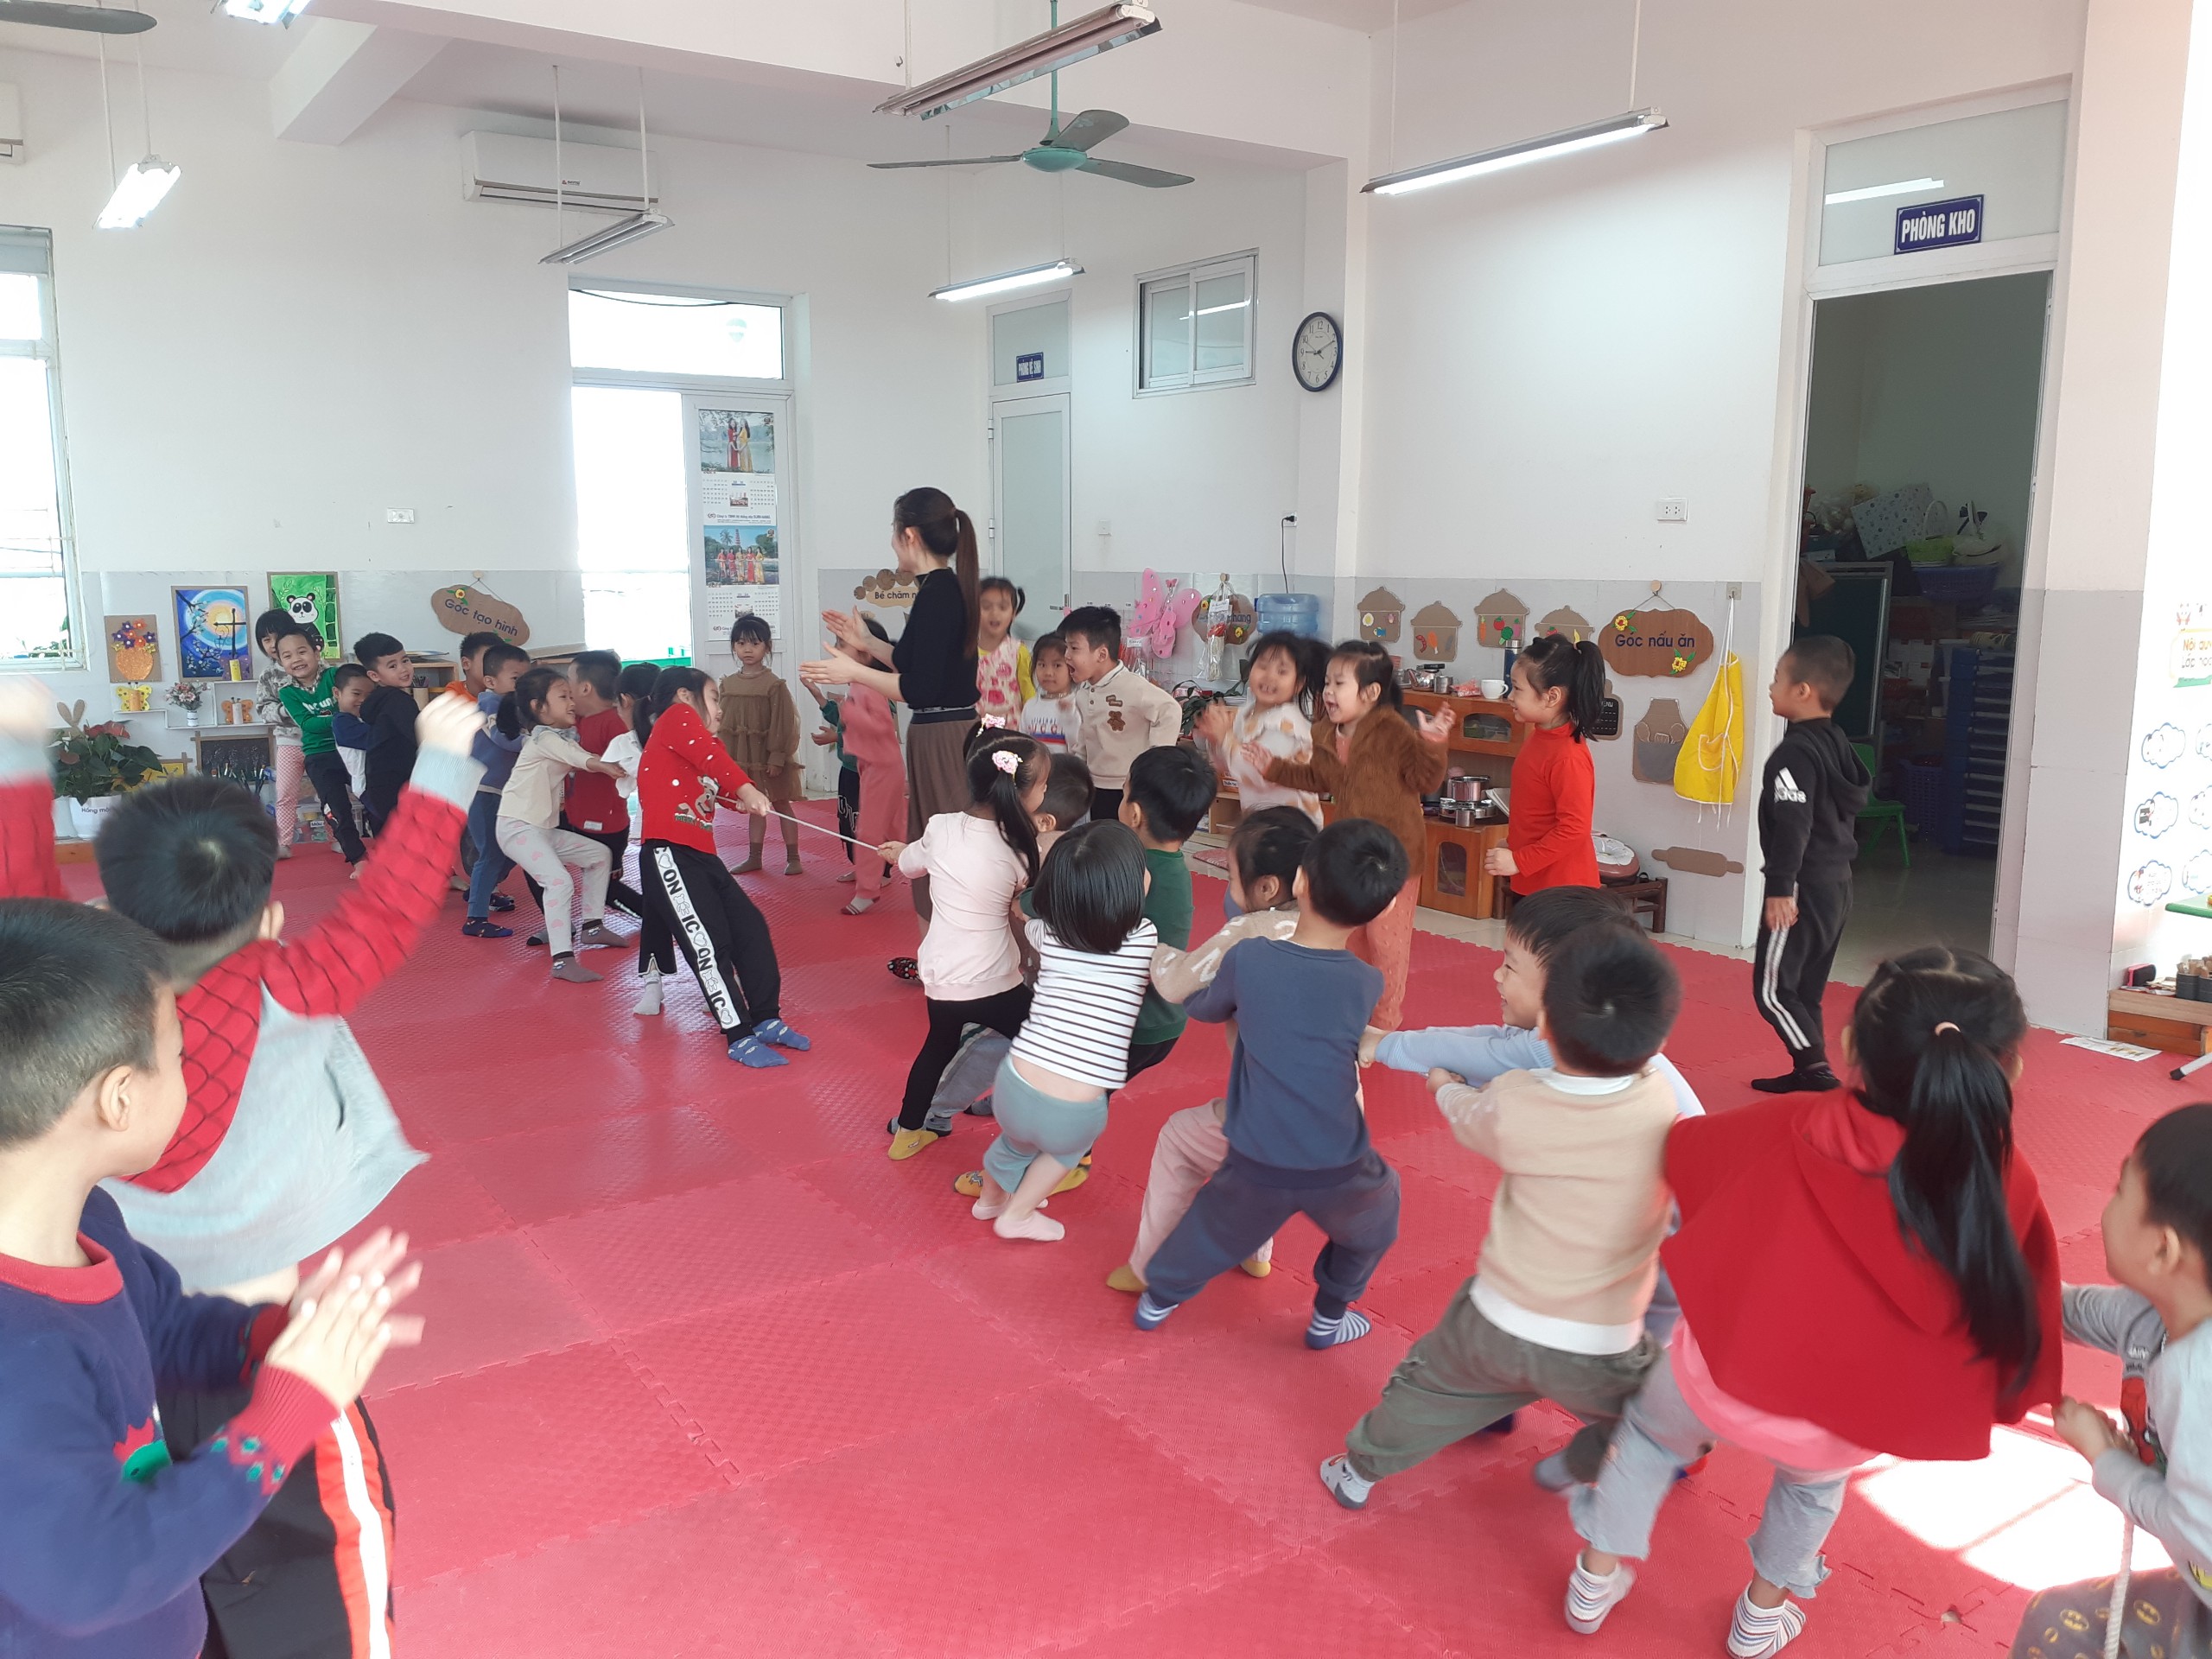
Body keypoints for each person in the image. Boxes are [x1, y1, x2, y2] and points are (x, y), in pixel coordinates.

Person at [0, 683, 483, 1659]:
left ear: (110, 911)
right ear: (268, 915)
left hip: (163, 1340)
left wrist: (15, 746)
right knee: (313, 1583)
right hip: (250, 1362)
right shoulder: (293, 984)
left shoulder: (65, 1027)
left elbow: (25, 902)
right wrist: (441, 758)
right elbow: (395, 900)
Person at [1566, 947, 2063, 1657]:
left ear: (1852, 1046)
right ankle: (1760, 1618)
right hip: (1838, 1421)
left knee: (1645, 1438)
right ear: (2010, 1068)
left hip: (1714, 1379)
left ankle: (1594, 1578)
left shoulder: (1800, 1121)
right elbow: (2023, 1300)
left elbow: (1687, 1154)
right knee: (1808, 1491)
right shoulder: (2006, 1178)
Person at [0, 898, 423, 1659]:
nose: (191, 1072)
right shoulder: (18, 1358)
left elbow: (158, 1327)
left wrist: (267, 1334)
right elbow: (94, 1574)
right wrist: (278, 1423)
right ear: (120, 1099)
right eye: (178, 1053)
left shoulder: (89, 1219)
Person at [1319, 925, 1684, 1511]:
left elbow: (1472, 1117)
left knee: (1426, 1391)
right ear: (1659, 1040)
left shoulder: (1516, 1098)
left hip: (1498, 1319)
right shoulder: (1661, 1103)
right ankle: (1576, 1466)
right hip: (1602, 1343)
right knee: (1653, 1419)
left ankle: (1356, 1472)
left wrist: (1444, 1087)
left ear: (1547, 1028)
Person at [1133, 818, 1411, 1349]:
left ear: (1299, 881)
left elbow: (1205, 1007)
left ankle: (1159, 1298)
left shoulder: (1249, 957)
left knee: (1213, 1228)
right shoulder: (1365, 980)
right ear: (1385, 908)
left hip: (1259, 1155)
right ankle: (1329, 1317)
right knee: (1376, 1224)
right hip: (1339, 1161)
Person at [2010, 1103, 2212, 1659]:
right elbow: (2061, 1310)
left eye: (2120, 1189)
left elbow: (2196, 1534)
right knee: (2058, 1620)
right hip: (2199, 1582)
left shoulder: (2199, 1382)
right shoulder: (2149, 1314)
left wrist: (2105, 1458)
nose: (2107, 1207)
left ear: (2162, 1249)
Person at [1107, 805, 1317, 1294]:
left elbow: (1177, 984)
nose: (1227, 888)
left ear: (1267, 888)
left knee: (1178, 1141)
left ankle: (1148, 1266)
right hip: (1333, 1125)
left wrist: (1151, 946)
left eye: (1231, 877)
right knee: (1258, 1170)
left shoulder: (1248, 930)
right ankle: (1257, 1254)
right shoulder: (1324, 931)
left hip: (1269, 1120)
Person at [1244, 639, 1452, 1033]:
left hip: (1395, 858)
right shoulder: (1325, 732)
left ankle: (1384, 1021)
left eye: (1339, 684)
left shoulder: (1392, 730)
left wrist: (1434, 743)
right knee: (1351, 936)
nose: (1328, 691)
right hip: (1351, 853)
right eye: (1327, 682)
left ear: (1370, 693)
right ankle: (1353, 1009)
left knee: (1386, 943)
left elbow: (1425, 779)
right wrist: (1274, 768)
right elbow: (1318, 778)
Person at [969, 821, 1159, 1242]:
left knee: (1015, 1142)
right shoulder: (1144, 937)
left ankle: (991, 1199)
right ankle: (1017, 1214)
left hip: (1014, 1081)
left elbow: (1028, 915)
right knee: (1064, 1153)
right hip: (1075, 1107)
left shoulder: (1047, 933)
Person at [803, 487, 982, 932]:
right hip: (937, 731)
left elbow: (917, 688)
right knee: (931, 839)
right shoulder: (937, 589)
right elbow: (910, 662)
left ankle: (955, 945)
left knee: (945, 844)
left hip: (944, 733)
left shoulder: (940, 593)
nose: (891, 541)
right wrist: (866, 643)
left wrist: (854, 670)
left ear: (910, 535)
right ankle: (939, 946)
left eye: (893, 530)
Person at [880, 733, 1049, 1160]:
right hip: (994, 981)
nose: (1045, 792)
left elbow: (909, 864)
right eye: (1043, 785)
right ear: (1020, 792)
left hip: (942, 977)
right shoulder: (1021, 846)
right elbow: (1027, 900)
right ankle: (1037, 1137)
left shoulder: (940, 826)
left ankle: (907, 1135)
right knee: (1044, 1047)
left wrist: (900, 853)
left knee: (936, 1049)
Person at [633, 668, 807, 1066]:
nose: (721, 709)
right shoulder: (676, 718)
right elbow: (714, 760)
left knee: (750, 929)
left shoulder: (692, 745)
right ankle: (738, 1035)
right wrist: (745, 788)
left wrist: (738, 798)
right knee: (708, 947)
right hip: (669, 854)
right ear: (685, 696)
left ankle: (765, 1018)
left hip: (703, 857)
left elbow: (711, 783)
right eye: (714, 698)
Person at [1750, 636, 1870, 1095]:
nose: (1770, 687)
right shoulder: (1837, 743)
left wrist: (1780, 887)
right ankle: (1808, 1071)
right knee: (1804, 989)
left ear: (1802, 691)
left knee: (1773, 991)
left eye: (1777, 679)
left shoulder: (1795, 753)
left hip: (1802, 885)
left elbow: (1793, 824)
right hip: (1837, 884)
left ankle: (1815, 1068)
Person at [493, 665, 624, 984]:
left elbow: (580, 753)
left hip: (541, 831)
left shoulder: (560, 737)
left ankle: (592, 926)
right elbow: (580, 758)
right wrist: (606, 767)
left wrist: (616, 764)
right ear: (539, 707)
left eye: (570, 695)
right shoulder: (544, 739)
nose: (571, 702)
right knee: (559, 882)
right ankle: (562, 960)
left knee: (599, 855)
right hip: (516, 828)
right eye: (563, 697)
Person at [1118, 743, 1216, 1087]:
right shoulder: (1176, 869)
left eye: (1124, 792)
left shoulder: (1129, 869)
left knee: (1077, 1097)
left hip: (1132, 1025)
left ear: (1134, 814)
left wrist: (1027, 902)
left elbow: (1070, 903)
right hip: (1165, 1021)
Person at [1483, 632, 1605, 897]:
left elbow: (1574, 829)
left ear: (1551, 697)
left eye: (1517, 689)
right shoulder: (1538, 737)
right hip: (1537, 884)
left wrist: (1520, 860)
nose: (1510, 697)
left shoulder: (1568, 756)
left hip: (1562, 891)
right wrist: (1515, 844)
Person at [1058, 604, 1183, 824]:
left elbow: (1170, 710)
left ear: (1101, 654)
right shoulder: (1084, 692)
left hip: (1129, 789)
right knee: (1102, 839)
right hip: (1096, 786)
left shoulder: (1133, 686)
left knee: (1126, 842)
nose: (1067, 656)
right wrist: (1076, 768)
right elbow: (1086, 737)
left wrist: (1153, 763)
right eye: (1066, 647)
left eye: (1074, 648)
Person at [1195, 630, 1330, 827]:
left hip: (1294, 829)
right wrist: (1215, 740)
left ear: (1298, 684)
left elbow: (1257, 774)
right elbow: (1229, 766)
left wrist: (1225, 737)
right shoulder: (1245, 714)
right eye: (1263, 666)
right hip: (1261, 823)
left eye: (1282, 672)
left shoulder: (1287, 723)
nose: (1269, 677)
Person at [607, 662, 677, 1015]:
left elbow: (621, 788)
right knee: (658, 912)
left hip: (681, 839)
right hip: (660, 839)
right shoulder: (626, 743)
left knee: (686, 914)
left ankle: (720, 980)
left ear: (624, 700)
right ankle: (653, 984)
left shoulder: (677, 735)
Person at [272, 622, 365, 868]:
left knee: (373, 796)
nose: (296, 659)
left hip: (351, 748)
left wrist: (343, 718)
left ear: (316, 651)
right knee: (336, 807)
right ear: (280, 662)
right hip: (319, 755)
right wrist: (341, 718)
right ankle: (357, 858)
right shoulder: (287, 693)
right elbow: (307, 724)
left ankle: (393, 846)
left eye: (302, 651)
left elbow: (357, 701)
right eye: (287, 656)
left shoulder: (335, 676)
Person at [719, 615, 804, 876]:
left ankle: (794, 858)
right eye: (741, 643)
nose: (747, 649)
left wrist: (777, 756)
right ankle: (754, 857)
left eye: (755, 644)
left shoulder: (774, 685)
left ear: (767, 646)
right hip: (742, 758)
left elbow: (784, 723)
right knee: (755, 806)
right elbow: (723, 725)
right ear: (733, 646)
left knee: (782, 805)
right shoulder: (728, 684)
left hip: (768, 756)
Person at [567, 650, 648, 918]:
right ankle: (587, 926)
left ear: (585, 688)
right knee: (592, 882)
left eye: (569, 681)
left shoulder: (614, 723)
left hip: (607, 824)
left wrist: (596, 764)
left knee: (607, 889)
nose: (567, 689)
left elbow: (633, 764)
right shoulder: (578, 719)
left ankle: (657, 919)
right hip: (578, 818)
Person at [460, 642, 531, 940]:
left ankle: (482, 890)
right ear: (491, 681)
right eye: (516, 679)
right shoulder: (489, 704)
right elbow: (502, 738)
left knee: (512, 850)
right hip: (484, 789)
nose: (522, 685)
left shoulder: (516, 705)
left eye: (526, 678)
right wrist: (538, 743)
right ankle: (475, 919)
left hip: (505, 791)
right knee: (490, 852)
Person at [352, 632, 420, 837]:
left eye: (405, 660)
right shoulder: (399, 702)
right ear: (374, 676)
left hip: (380, 788)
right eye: (392, 666)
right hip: (398, 788)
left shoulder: (378, 701)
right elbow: (421, 738)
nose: (403, 669)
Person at [251, 609, 305, 860]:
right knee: (284, 794)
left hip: (322, 740)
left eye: (277, 636)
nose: (273, 644)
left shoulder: (316, 665)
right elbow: (263, 709)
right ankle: (283, 843)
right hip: (288, 741)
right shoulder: (269, 675)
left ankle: (339, 837)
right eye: (266, 640)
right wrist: (285, 710)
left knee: (331, 792)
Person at [976, 576, 1034, 725]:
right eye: (986, 607)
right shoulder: (966, 652)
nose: (994, 613)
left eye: (1002, 607)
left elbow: (1029, 695)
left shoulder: (1018, 651)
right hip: (972, 729)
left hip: (1010, 729)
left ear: (1013, 614)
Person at [1020, 632, 1080, 751]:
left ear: (1071, 668)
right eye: (1042, 665)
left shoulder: (1078, 704)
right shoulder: (1030, 706)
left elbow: (1078, 749)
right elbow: (1023, 746)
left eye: (1057, 665)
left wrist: (1070, 716)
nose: (1048, 673)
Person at [329, 664, 375, 807]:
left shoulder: (364, 718)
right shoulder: (342, 723)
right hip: (367, 786)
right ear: (337, 693)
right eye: (356, 694)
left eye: (369, 695)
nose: (363, 700)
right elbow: (375, 739)